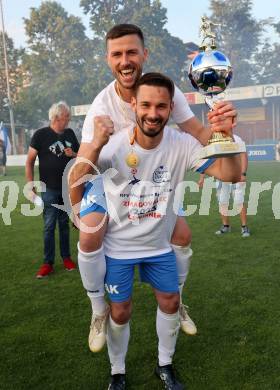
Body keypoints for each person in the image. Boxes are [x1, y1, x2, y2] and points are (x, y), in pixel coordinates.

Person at [69, 72, 241, 389]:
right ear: (133, 104)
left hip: (160, 247)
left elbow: (230, 174)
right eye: (145, 104)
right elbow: (76, 180)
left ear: (170, 108)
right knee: (119, 313)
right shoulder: (113, 147)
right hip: (119, 250)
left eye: (161, 106)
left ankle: (165, 365)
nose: (152, 113)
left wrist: (226, 138)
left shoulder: (183, 144)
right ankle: (117, 371)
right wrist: (93, 146)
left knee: (171, 303)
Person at [25, 101, 79, 278]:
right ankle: (47, 263)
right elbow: (30, 161)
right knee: (49, 226)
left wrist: (74, 154)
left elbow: (82, 157)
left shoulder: (70, 133)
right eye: (66, 117)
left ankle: (66, 258)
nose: (69, 120)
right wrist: (30, 185)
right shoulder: (41, 135)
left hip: (67, 189)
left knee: (64, 225)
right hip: (48, 189)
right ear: (56, 118)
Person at [199, 135, 250, 237]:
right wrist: (202, 177)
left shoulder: (236, 138)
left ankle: (244, 227)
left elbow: (243, 156)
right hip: (221, 177)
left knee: (239, 201)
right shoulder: (214, 140)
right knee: (222, 201)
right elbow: (207, 160)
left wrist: (243, 174)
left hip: (236, 175)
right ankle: (226, 226)